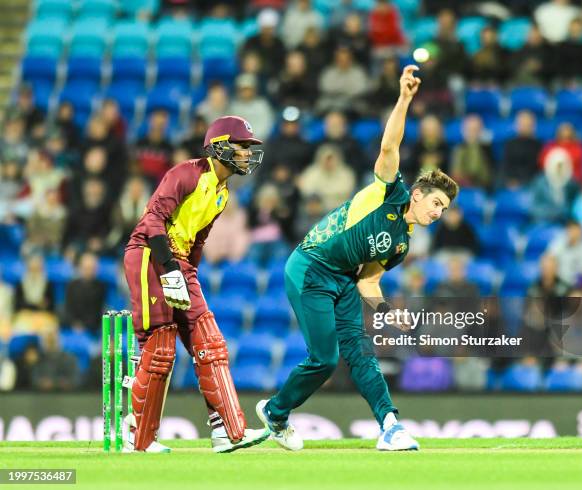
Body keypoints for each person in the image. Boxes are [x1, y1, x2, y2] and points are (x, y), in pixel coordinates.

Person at [256, 66, 459, 451]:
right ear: (417, 194)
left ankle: (390, 425)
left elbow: (368, 280)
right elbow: (388, 148)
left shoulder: (402, 244)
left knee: (361, 352)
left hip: (345, 280)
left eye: (444, 209)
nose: (439, 212)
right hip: (310, 267)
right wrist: (404, 99)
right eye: (436, 202)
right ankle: (277, 412)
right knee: (325, 359)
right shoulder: (390, 193)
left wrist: (385, 310)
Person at [123, 116, 269, 453]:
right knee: (159, 348)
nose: (248, 153)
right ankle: (139, 439)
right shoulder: (186, 173)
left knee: (210, 341)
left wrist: (188, 274)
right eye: (242, 146)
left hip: (180, 264)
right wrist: (170, 267)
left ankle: (227, 432)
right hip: (149, 256)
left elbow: (198, 242)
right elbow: (152, 221)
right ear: (219, 147)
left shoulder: (222, 194)